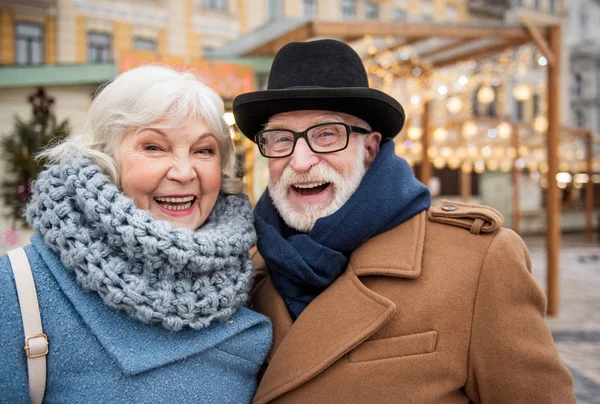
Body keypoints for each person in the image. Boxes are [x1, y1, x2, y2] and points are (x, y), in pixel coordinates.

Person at [232, 39, 576, 403]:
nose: (300, 161)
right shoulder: (248, 269)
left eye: (327, 134)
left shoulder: (479, 262)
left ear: (370, 147)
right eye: (281, 139)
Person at [0, 65, 271, 403]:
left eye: (204, 150)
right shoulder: (18, 288)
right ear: (106, 159)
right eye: (154, 147)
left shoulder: (253, 278)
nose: (185, 172)